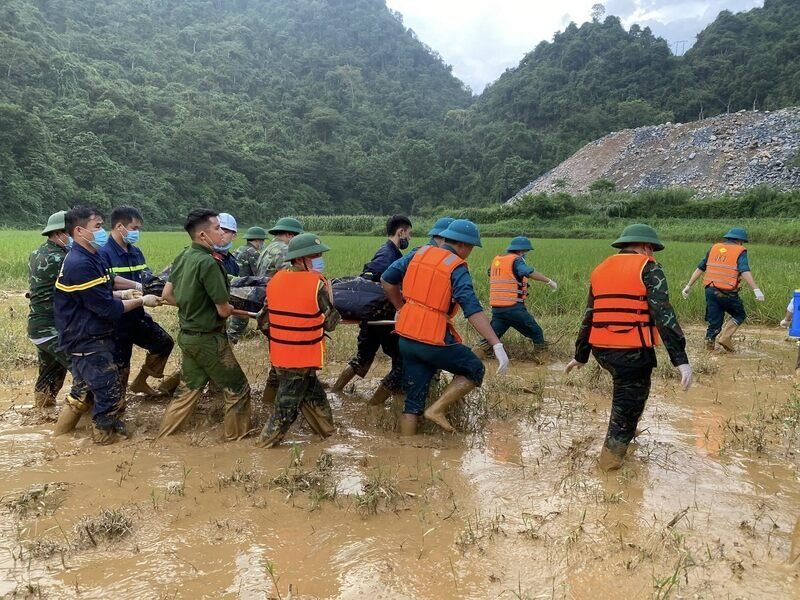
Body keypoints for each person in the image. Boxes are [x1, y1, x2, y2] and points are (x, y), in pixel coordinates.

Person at [565, 224, 692, 471]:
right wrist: (680, 359)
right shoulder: (650, 268)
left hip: (602, 350)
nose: (652, 255)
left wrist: (581, 355)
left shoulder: (600, 269)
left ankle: (626, 441)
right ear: (645, 247)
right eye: (652, 250)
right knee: (625, 410)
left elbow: (589, 314)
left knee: (633, 400)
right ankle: (608, 467)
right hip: (630, 353)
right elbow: (663, 313)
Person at [381, 219, 509, 435]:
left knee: (412, 404)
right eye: (471, 248)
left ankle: (405, 449)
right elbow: (472, 309)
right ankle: (437, 409)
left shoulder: (419, 253)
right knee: (474, 368)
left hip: (407, 337)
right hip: (432, 340)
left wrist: (401, 307)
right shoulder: (456, 266)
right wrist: (496, 343)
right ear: (463, 245)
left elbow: (387, 279)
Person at [53, 206, 161, 444]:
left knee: (81, 392)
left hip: (86, 333)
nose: (102, 231)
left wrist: (125, 293)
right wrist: (141, 300)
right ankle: (103, 441)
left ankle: (58, 438)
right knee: (110, 394)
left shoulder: (91, 256)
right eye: (98, 226)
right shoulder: (80, 263)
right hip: (85, 338)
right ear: (79, 231)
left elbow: (101, 291)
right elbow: (106, 308)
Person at [157, 209, 252, 441]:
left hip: (188, 337)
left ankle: (164, 439)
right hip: (209, 340)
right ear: (203, 234)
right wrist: (235, 309)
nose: (222, 233)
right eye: (218, 228)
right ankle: (236, 442)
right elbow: (223, 310)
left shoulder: (184, 255)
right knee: (238, 389)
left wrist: (192, 305)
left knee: (186, 391)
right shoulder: (210, 263)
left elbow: (167, 295)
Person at [256, 233, 340, 447]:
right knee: (285, 412)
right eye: (315, 255)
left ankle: (329, 437)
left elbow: (263, 321)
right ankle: (261, 448)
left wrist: (283, 338)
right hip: (301, 357)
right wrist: (330, 296)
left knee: (316, 398)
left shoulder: (276, 280)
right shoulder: (316, 285)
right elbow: (330, 323)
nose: (320, 259)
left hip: (281, 355)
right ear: (301, 258)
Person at [333, 215, 412, 405]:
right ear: (401, 232)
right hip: (383, 318)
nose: (409, 238)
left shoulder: (385, 251)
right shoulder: (389, 255)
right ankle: (374, 405)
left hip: (371, 316)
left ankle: (335, 392)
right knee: (401, 362)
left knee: (363, 359)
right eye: (409, 234)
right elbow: (373, 280)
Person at [100, 206, 175, 397]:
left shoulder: (136, 252)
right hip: (115, 319)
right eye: (134, 228)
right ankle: (116, 404)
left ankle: (140, 382)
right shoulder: (103, 253)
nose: (137, 232)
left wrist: (158, 291)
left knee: (163, 343)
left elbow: (147, 277)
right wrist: (138, 287)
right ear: (120, 226)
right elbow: (108, 281)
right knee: (120, 366)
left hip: (137, 314)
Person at [474, 236, 558, 358]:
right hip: (514, 308)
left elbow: (491, 273)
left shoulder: (498, 261)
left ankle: (473, 356)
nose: (526, 254)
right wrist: (548, 281)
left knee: (491, 338)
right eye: (526, 251)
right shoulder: (516, 261)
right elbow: (527, 272)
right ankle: (543, 359)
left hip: (498, 309)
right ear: (521, 251)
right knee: (536, 332)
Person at [681, 227, 764, 352]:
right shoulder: (740, 250)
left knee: (714, 322)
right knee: (739, 315)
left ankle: (708, 349)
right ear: (740, 241)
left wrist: (688, 286)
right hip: (727, 292)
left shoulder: (714, 248)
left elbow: (700, 268)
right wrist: (756, 289)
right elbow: (744, 270)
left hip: (710, 290)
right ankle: (725, 338)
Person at [27, 211, 75, 414]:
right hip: (52, 328)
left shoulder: (37, 253)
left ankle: (41, 415)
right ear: (58, 233)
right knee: (86, 371)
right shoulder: (61, 259)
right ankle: (74, 420)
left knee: (49, 374)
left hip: (39, 326)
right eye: (72, 231)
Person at [254, 217, 304, 403]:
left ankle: (268, 403)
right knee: (286, 363)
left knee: (278, 362)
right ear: (290, 235)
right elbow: (290, 280)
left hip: (269, 306)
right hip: (280, 310)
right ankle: (280, 405)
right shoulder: (284, 250)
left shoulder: (267, 249)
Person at [227, 226, 268, 342]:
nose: (262, 243)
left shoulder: (238, 250)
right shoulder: (254, 253)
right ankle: (231, 339)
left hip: (233, 286)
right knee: (241, 317)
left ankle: (231, 336)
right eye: (262, 241)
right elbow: (258, 274)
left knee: (236, 312)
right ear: (257, 240)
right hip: (246, 289)